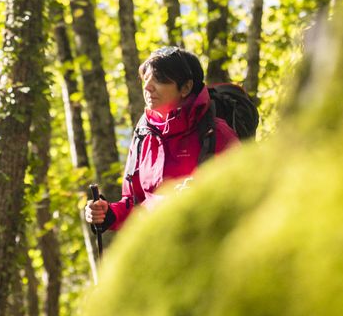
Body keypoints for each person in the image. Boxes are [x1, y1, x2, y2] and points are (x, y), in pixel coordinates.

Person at [85, 46, 238, 232]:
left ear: (186, 87)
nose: (147, 87)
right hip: (156, 250)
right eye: (146, 79)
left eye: (158, 80)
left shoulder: (216, 134)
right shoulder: (143, 134)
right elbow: (133, 204)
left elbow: (244, 197)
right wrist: (108, 214)